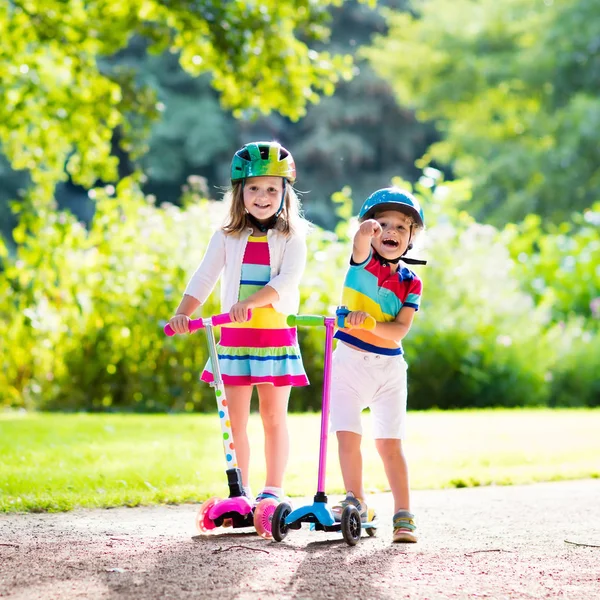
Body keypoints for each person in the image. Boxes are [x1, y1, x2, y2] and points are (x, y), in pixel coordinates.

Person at [168, 141, 309, 505]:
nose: (262, 196)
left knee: (273, 416)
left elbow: (285, 282)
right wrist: (184, 311)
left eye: (271, 189)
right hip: (233, 339)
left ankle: (273, 490)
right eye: (253, 188)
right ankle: (240, 492)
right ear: (239, 192)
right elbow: (204, 277)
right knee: (234, 421)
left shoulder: (292, 238)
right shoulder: (226, 237)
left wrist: (249, 302)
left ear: (284, 194)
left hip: (274, 337)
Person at [330, 187, 426, 543]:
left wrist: (370, 324)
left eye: (401, 227)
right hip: (349, 363)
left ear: (411, 238)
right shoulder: (361, 261)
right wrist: (364, 231)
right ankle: (355, 500)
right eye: (381, 224)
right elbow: (358, 243)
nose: (390, 232)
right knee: (348, 436)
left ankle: (404, 514)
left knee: (389, 444)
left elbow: (399, 331)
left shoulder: (411, 282)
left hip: (388, 370)